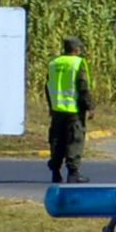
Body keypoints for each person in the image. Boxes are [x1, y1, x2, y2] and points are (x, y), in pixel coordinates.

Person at [42, 34, 93, 183]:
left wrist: (51, 105)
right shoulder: (78, 63)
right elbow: (83, 86)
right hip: (74, 110)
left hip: (57, 109)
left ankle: (55, 172)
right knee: (74, 140)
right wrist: (89, 106)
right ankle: (73, 173)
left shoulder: (54, 63)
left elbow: (47, 85)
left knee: (57, 140)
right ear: (76, 49)